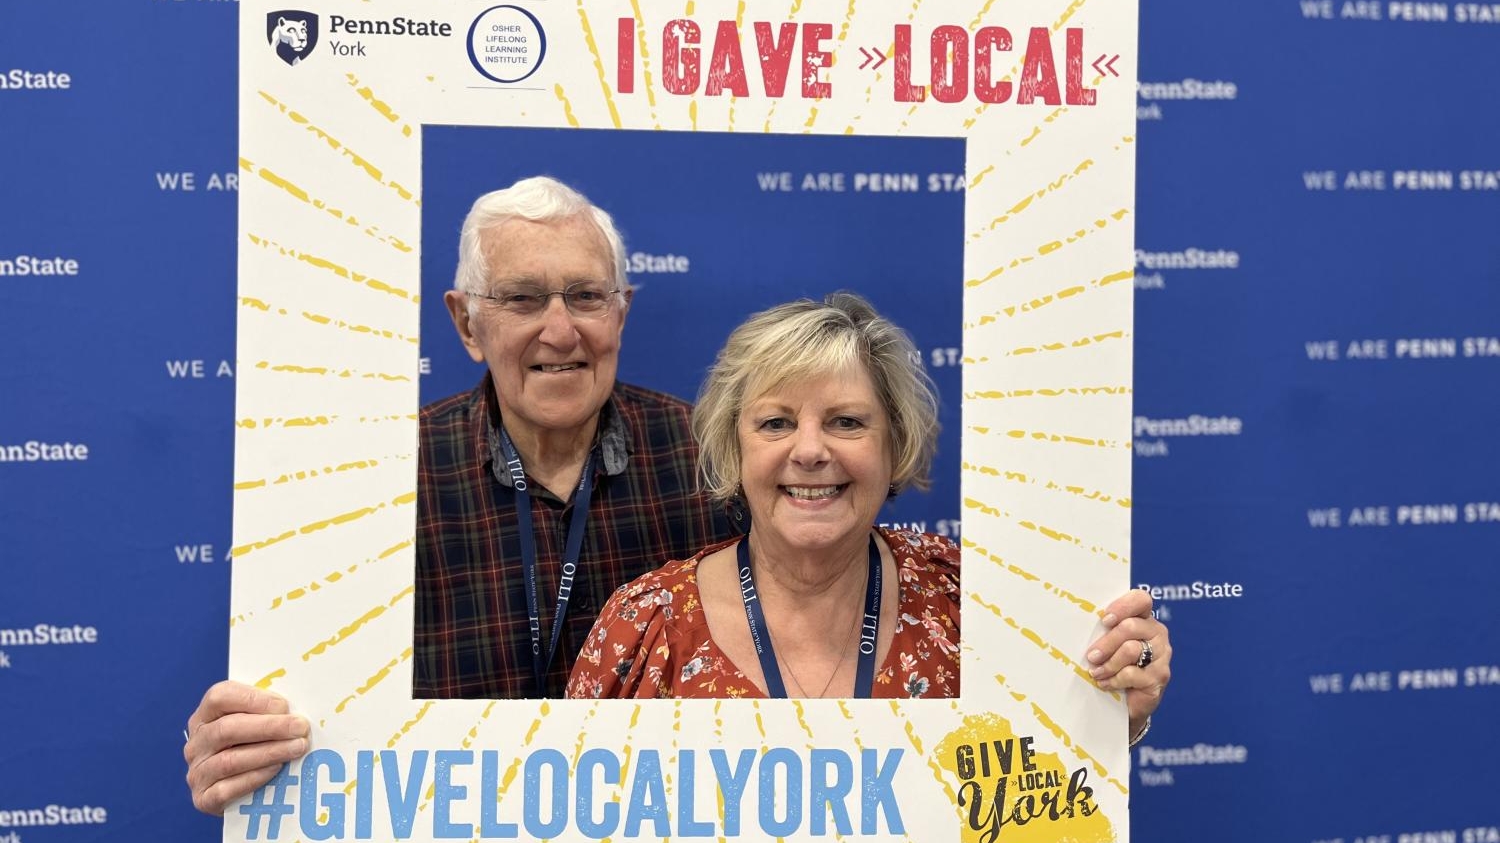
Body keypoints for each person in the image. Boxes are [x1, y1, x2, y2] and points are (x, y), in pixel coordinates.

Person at [184, 176, 735, 815]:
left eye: (586, 296)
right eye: (523, 299)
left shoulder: (718, 461)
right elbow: (304, 695)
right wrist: (241, 741)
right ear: (466, 323)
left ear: (621, 311)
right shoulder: (373, 479)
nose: (560, 331)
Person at [567, 295, 1171, 738]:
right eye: (776, 423)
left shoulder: (975, 602)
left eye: (846, 422)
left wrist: (1113, 710)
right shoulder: (645, 626)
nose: (809, 451)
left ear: (894, 445)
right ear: (735, 448)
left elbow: (1043, 782)